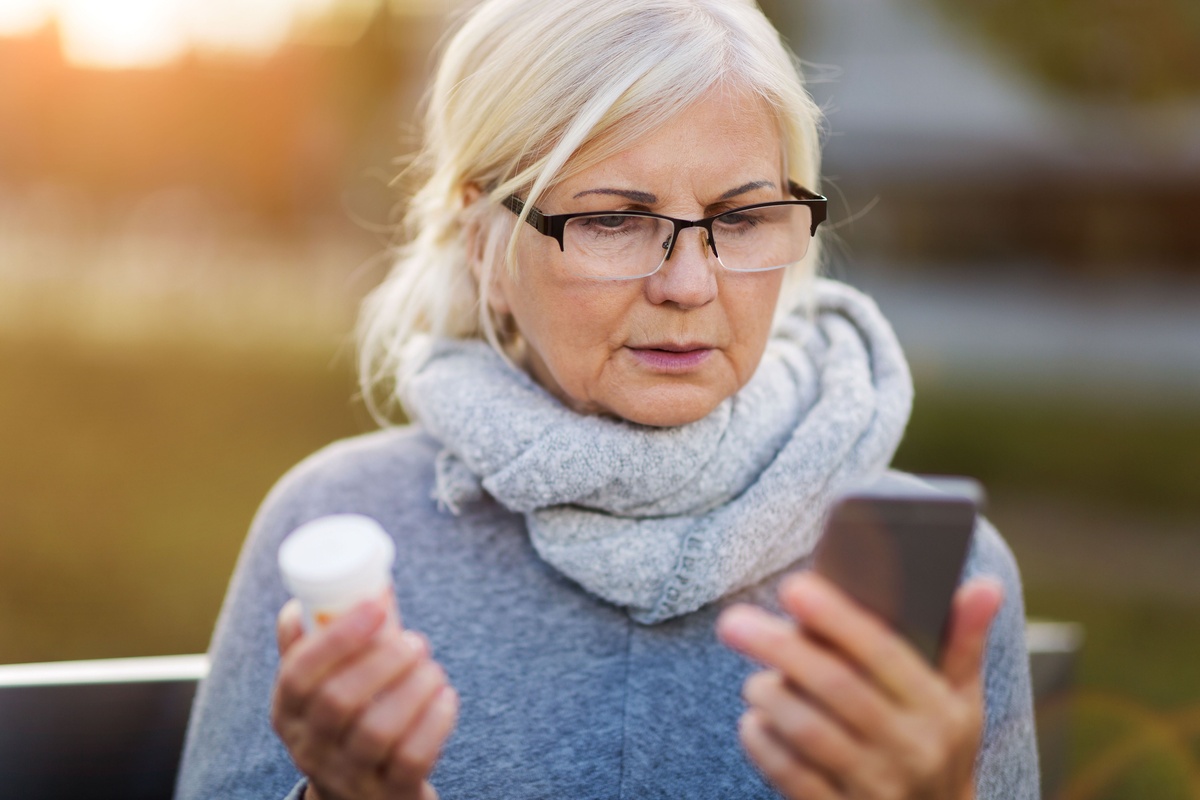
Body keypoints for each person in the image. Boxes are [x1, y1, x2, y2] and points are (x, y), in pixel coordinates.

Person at [175, 0, 1040, 798]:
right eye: (612, 219)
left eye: (741, 219)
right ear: (485, 246)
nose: (689, 284)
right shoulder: (337, 529)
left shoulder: (944, 585)